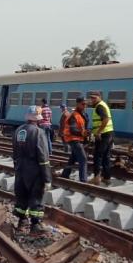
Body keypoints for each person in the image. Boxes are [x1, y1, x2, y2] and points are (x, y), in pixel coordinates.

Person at [12, 105, 52, 234]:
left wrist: (17, 169)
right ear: (38, 118)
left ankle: (21, 223)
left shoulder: (18, 131)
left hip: (20, 169)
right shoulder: (38, 132)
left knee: (22, 196)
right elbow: (43, 157)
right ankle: (36, 225)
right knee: (36, 197)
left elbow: (14, 153)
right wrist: (47, 178)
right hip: (34, 172)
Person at [61, 97, 90, 182]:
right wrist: (83, 133)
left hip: (79, 139)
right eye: (83, 104)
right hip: (73, 139)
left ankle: (65, 174)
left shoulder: (83, 114)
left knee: (73, 159)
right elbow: (73, 130)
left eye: (86, 104)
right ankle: (83, 181)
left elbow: (84, 128)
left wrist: (87, 134)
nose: (85, 106)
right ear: (77, 104)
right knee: (83, 159)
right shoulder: (73, 115)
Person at [89, 92, 114, 186]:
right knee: (106, 156)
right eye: (91, 98)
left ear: (99, 97)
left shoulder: (99, 106)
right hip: (109, 133)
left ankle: (96, 177)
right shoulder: (103, 105)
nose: (92, 100)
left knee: (97, 155)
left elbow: (106, 119)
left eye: (94, 98)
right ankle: (107, 178)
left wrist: (99, 132)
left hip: (103, 135)